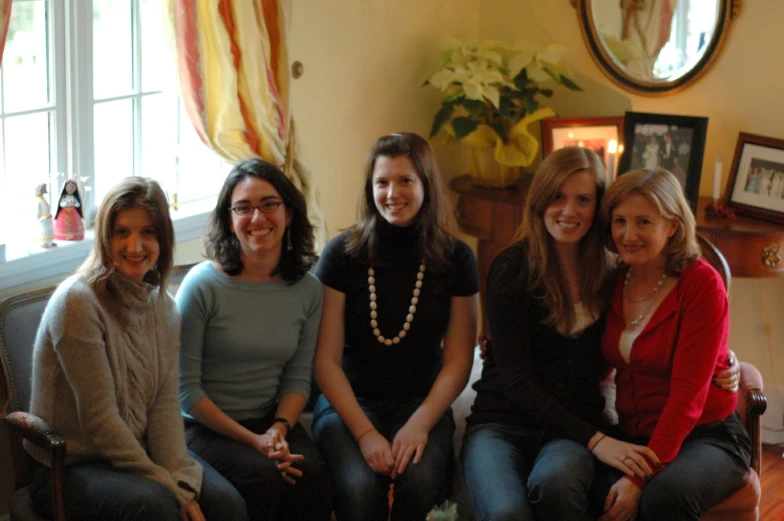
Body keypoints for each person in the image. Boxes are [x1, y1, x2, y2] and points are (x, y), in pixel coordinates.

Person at [27, 177, 247, 521]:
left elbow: (164, 405)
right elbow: (101, 422)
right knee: (160, 507)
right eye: (121, 232)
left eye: (148, 232)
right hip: (67, 466)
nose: (135, 245)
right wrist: (166, 484)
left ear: (163, 239)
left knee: (227, 504)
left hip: (134, 453)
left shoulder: (165, 308)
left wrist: (178, 473)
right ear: (105, 238)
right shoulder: (77, 303)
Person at [462, 147, 662, 521]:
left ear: (599, 207)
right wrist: (598, 441)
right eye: (558, 196)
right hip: (501, 424)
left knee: (556, 482)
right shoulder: (512, 268)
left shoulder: (615, 273)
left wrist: (724, 360)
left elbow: (657, 326)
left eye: (583, 200)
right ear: (540, 200)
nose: (569, 212)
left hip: (572, 429)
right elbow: (517, 383)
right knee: (507, 514)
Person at [312, 132, 479, 521]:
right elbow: (325, 360)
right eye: (381, 182)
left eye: (406, 180)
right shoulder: (341, 254)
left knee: (420, 484)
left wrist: (421, 422)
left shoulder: (457, 258)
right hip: (349, 404)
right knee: (360, 489)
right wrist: (365, 434)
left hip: (421, 403)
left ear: (426, 184)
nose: (392, 193)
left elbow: (458, 359)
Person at [177, 158, 332, 521]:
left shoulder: (308, 290)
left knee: (314, 477)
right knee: (262, 476)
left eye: (269, 204)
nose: (257, 218)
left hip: (269, 421)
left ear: (289, 213)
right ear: (229, 220)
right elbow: (186, 393)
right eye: (243, 208)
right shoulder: (202, 287)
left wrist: (278, 430)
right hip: (204, 428)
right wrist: (255, 442)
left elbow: (297, 378)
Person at [593, 168, 751, 521]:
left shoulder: (701, 284)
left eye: (644, 222)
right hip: (635, 430)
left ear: (673, 226)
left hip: (707, 436)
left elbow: (687, 397)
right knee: (584, 486)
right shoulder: (615, 277)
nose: (628, 234)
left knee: (663, 496)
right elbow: (597, 359)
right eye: (620, 220)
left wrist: (638, 477)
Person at [34, 183, 56, 249]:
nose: (45, 189)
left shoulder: (42, 199)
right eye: (43, 188)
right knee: (44, 231)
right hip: (43, 220)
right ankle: (44, 243)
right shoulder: (39, 200)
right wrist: (43, 217)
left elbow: (46, 208)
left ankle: (50, 242)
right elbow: (38, 213)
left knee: (50, 230)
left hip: (47, 219)